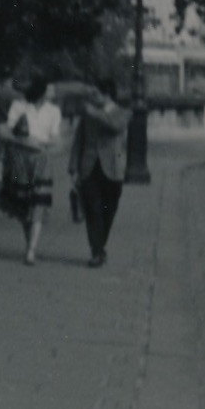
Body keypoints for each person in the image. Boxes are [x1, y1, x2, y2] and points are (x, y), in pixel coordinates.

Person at [0, 72, 63, 265]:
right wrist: (24, 141)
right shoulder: (19, 107)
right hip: (20, 158)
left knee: (38, 204)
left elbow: (56, 138)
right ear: (41, 91)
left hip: (41, 158)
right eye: (49, 89)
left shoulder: (54, 111)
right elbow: (5, 130)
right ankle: (30, 245)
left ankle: (31, 250)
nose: (53, 91)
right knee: (24, 205)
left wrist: (45, 144)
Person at [68, 77, 128, 267]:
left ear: (107, 94)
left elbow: (115, 126)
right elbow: (79, 139)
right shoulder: (88, 113)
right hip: (89, 166)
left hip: (113, 167)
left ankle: (100, 246)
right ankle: (96, 251)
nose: (91, 96)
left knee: (108, 210)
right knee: (93, 209)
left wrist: (94, 113)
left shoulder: (123, 112)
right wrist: (73, 166)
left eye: (95, 93)